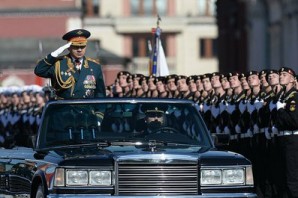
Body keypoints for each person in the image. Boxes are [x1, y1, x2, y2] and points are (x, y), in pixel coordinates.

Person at [34, 29, 106, 99]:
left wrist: (98, 111)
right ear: (69, 47)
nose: (79, 50)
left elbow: (100, 94)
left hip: (86, 109)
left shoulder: (94, 66)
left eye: (82, 46)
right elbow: (39, 71)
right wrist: (54, 55)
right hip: (65, 109)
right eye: (76, 46)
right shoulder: (59, 64)